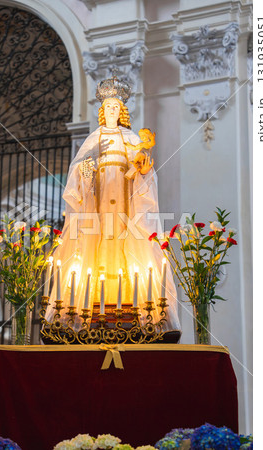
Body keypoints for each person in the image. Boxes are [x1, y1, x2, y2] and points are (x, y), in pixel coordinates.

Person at [45, 76, 181, 338]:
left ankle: (129, 296)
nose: (111, 111)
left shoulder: (131, 138)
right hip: (97, 209)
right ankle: (92, 297)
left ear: (122, 112)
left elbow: (145, 175)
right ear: (101, 111)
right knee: (95, 246)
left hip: (126, 210)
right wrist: (89, 165)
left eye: (116, 108)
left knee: (127, 245)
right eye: (108, 107)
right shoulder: (93, 139)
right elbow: (77, 174)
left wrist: (143, 171)